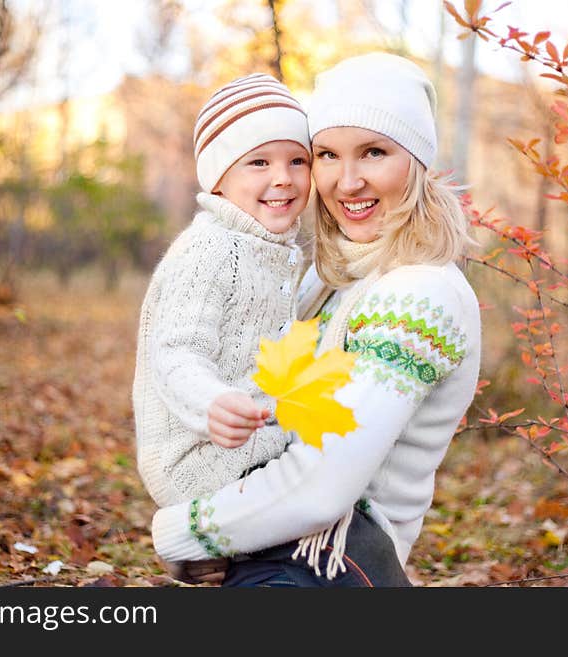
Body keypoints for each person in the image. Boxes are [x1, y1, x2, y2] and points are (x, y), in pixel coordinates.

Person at [149, 52, 483, 587]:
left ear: (416, 162)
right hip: (275, 545)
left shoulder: (421, 295)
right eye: (326, 154)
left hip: (334, 559)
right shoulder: (329, 279)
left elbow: (322, 485)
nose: (346, 182)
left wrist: (181, 531)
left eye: (373, 152)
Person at [132, 73, 311, 513]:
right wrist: (213, 403)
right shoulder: (210, 249)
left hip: (251, 443)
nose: (283, 178)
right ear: (218, 179)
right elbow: (175, 353)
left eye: (297, 161)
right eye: (259, 163)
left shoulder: (273, 244)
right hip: (199, 457)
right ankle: (195, 539)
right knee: (320, 499)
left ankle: (214, 553)